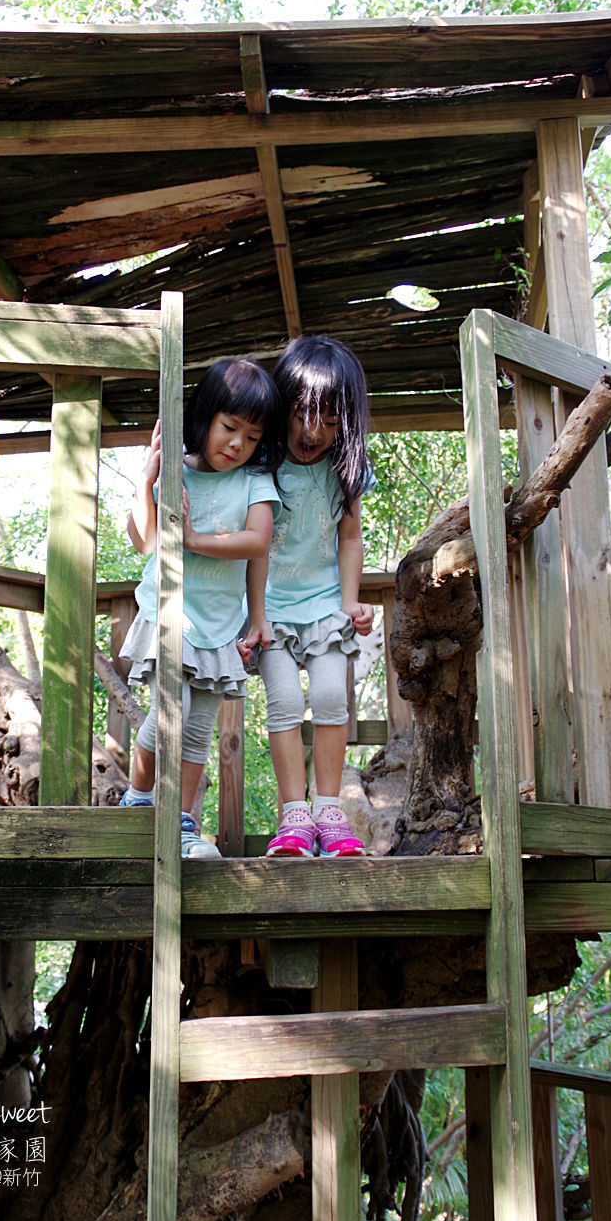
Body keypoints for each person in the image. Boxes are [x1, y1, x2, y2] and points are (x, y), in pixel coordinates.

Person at [120, 358, 285, 857]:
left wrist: (193, 538)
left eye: (252, 437)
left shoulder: (255, 482)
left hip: (219, 629)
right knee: (173, 710)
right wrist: (146, 481)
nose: (237, 444)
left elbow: (258, 542)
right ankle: (139, 800)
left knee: (197, 730)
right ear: (205, 417)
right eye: (229, 427)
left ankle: (185, 822)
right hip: (169, 615)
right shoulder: (178, 474)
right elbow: (145, 541)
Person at [244, 334, 374, 856]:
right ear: (283, 408)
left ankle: (329, 812)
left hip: (324, 606)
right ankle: (294, 816)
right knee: (285, 702)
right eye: (301, 414)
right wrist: (252, 617)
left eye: (329, 419)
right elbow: (251, 548)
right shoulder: (260, 468)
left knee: (328, 699)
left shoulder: (347, 470)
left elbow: (349, 536)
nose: (312, 431)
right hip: (270, 608)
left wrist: (349, 602)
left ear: (347, 420)